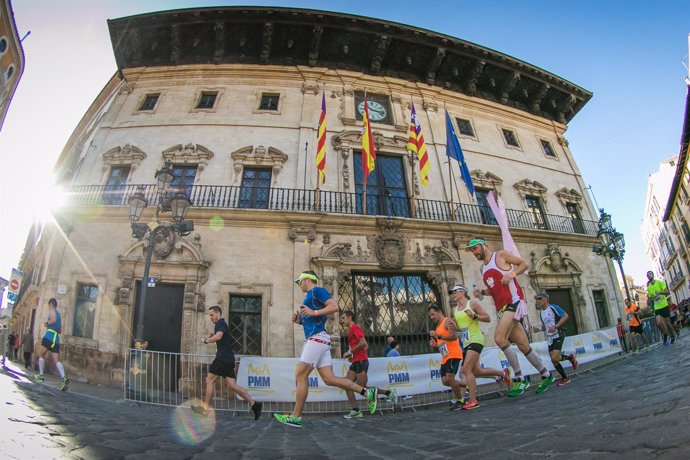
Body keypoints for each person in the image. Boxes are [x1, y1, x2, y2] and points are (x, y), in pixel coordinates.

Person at [273, 270, 381, 428]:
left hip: (316, 339)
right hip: (320, 339)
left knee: (300, 376)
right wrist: (299, 321)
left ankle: (296, 416)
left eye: (300, 281)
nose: (298, 284)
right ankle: (366, 392)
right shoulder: (310, 296)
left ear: (308, 279)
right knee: (329, 379)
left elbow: (334, 306)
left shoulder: (317, 291)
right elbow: (313, 319)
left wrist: (313, 311)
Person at [467, 238, 555, 396]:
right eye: (472, 251)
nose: (474, 253)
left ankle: (520, 379)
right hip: (502, 308)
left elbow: (524, 264)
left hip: (514, 303)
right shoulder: (483, 269)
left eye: (475, 249)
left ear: (484, 245)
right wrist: (482, 293)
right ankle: (546, 375)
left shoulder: (500, 255)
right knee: (523, 346)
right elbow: (493, 289)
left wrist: (512, 273)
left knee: (500, 338)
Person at [193, 305, 262, 420]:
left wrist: (206, 341)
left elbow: (219, 337)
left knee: (209, 380)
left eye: (212, 315)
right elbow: (219, 337)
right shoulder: (220, 325)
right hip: (229, 359)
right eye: (209, 315)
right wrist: (212, 337)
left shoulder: (220, 323)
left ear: (218, 314)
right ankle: (255, 404)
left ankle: (205, 410)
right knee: (232, 385)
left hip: (223, 358)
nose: (211, 317)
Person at [450, 284, 510, 410]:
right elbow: (460, 332)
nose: (453, 294)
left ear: (462, 292)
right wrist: (454, 329)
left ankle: (473, 400)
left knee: (466, 370)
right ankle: (502, 373)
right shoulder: (455, 310)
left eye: (455, 292)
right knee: (477, 371)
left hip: (476, 340)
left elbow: (487, 318)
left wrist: (475, 316)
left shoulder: (472, 304)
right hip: (466, 343)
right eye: (452, 293)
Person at [340, 311, 397, 419]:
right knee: (347, 385)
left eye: (343, 318)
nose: (341, 321)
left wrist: (350, 352)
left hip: (361, 361)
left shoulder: (354, 328)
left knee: (362, 388)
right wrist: (353, 355)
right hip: (356, 361)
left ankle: (389, 392)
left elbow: (364, 343)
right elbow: (365, 348)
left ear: (349, 317)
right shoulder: (351, 330)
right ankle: (355, 410)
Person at [532, 292, 578, 386]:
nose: (538, 300)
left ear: (546, 298)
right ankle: (567, 370)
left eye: (540, 298)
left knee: (554, 357)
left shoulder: (553, 307)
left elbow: (565, 316)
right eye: (537, 299)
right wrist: (539, 329)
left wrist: (556, 326)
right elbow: (546, 326)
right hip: (550, 338)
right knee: (554, 360)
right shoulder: (541, 313)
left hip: (559, 334)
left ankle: (567, 372)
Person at [428, 304, 467, 411]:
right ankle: (464, 384)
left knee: (450, 378)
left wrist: (439, 336)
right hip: (445, 356)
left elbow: (454, 336)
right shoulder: (438, 326)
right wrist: (434, 342)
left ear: (439, 311)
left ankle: (460, 400)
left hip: (453, 354)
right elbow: (440, 342)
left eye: (433, 314)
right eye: (430, 316)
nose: (432, 317)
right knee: (445, 381)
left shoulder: (447, 321)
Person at [34, 298, 69, 391]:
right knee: (56, 360)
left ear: (51, 304)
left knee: (40, 353)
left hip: (49, 336)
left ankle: (41, 375)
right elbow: (60, 330)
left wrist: (47, 323)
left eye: (48, 304)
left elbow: (52, 320)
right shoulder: (59, 315)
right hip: (56, 339)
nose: (48, 306)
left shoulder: (52, 311)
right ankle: (64, 378)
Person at [646, 271, 677, 345]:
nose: (649, 276)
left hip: (664, 305)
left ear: (653, 275)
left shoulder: (659, 282)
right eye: (648, 275)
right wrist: (650, 298)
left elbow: (667, 292)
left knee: (668, 323)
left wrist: (660, 293)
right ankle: (665, 334)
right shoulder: (649, 287)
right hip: (657, 307)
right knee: (659, 322)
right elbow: (650, 298)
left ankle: (672, 336)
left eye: (650, 274)